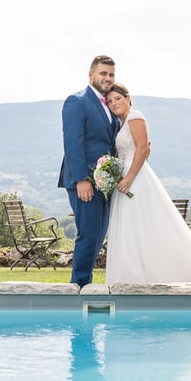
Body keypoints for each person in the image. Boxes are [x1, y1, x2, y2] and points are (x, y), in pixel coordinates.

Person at [103, 84, 191, 285]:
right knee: (131, 228)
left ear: (128, 98)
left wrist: (128, 178)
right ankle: (132, 277)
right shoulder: (121, 123)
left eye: (117, 99)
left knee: (142, 225)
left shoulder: (135, 116)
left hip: (134, 179)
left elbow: (142, 147)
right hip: (125, 179)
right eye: (109, 101)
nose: (113, 104)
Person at [58, 55, 123, 288]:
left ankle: (85, 284)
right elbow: (73, 143)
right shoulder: (77, 101)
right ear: (91, 74)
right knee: (88, 234)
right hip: (84, 181)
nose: (107, 78)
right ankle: (79, 285)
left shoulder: (110, 105)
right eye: (103, 73)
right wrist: (81, 180)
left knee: (98, 235)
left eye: (111, 74)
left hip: (105, 183)